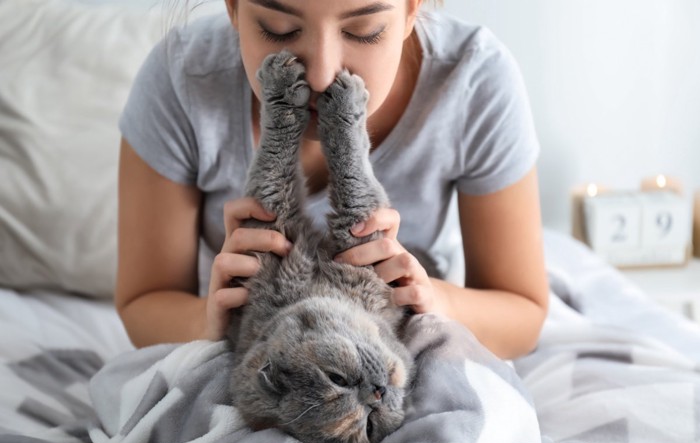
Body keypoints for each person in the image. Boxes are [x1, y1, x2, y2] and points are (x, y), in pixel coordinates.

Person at [115, 0, 549, 360]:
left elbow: (523, 314)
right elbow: (143, 302)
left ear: (412, 9)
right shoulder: (181, 77)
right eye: (278, 28)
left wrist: (432, 302)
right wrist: (210, 320)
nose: (321, 75)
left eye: (363, 30)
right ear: (233, 8)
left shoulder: (474, 80)